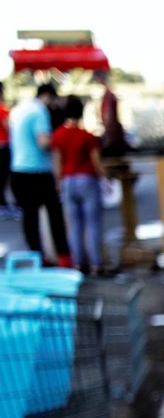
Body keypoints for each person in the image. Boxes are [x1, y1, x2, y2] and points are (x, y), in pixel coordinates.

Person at [9, 83, 70, 266]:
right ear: (48, 97)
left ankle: (37, 257)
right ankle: (63, 257)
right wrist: (59, 143)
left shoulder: (19, 110)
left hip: (18, 170)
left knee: (30, 217)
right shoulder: (39, 112)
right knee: (55, 215)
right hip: (37, 171)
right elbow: (44, 142)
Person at [51, 95, 106, 275]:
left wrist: (58, 183)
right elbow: (97, 163)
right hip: (87, 180)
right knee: (93, 224)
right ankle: (96, 264)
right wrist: (105, 177)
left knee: (74, 225)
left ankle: (77, 264)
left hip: (68, 181)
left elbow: (57, 162)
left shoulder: (58, 135)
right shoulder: (87, 136)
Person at [95, 69, 128, 157]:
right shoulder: (108, 93)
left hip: (112, 132)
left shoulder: (108, 94)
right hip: (112, 131)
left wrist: (108, 132)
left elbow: (109, 114)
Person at [0, 82, 14, 220]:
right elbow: (9, 128)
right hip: (3, 148)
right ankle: (3, 204)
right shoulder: (3, 110)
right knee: (4, 178)